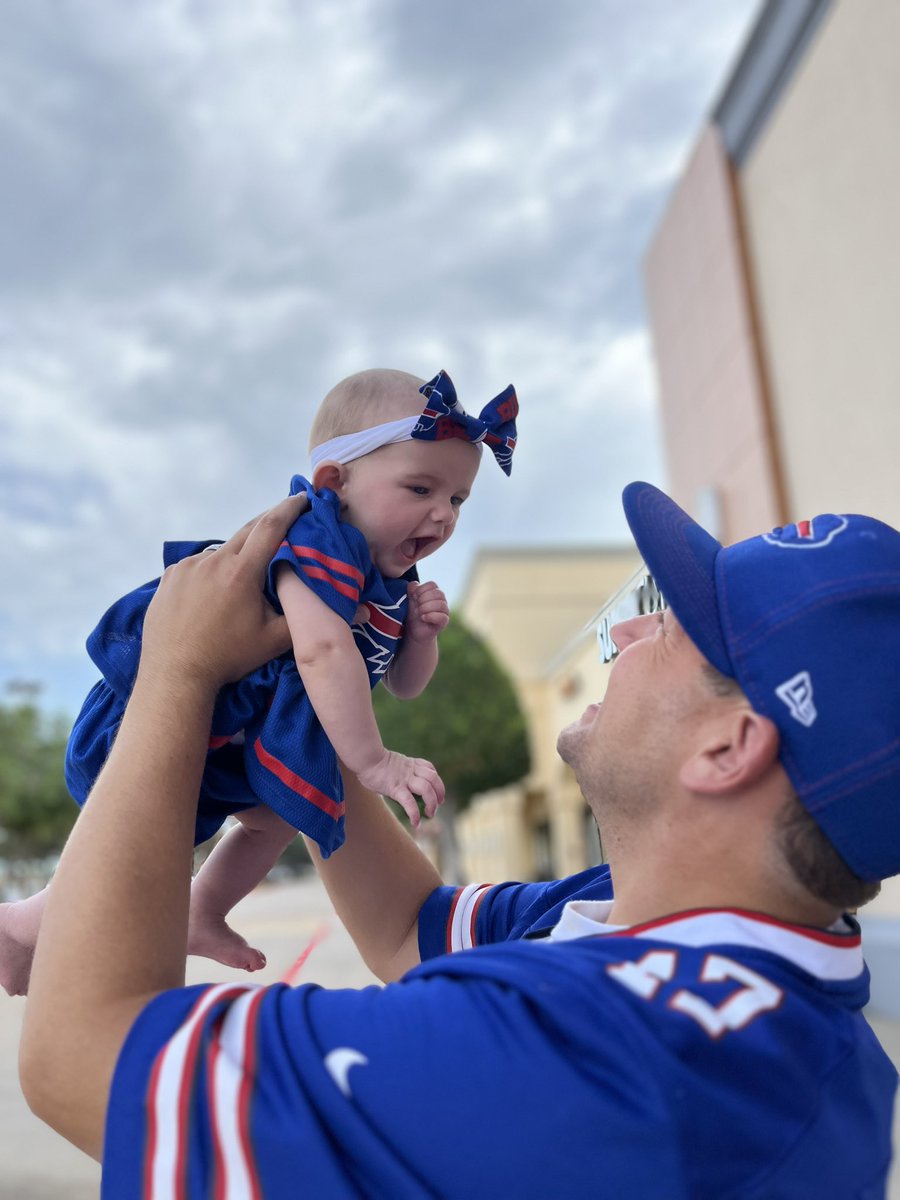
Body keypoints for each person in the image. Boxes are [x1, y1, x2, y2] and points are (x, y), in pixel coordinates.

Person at [20, 483, 900, 1198]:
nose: (626, 633)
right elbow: (410, 927)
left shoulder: (607, 1053)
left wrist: (174, 670)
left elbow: (83, 1053)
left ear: (730, 747)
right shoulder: (672, 937)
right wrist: (300, 690)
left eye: (668, 624)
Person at [0, 367, 518, 995]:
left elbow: (405, 686)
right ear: (336, 481)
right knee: (140, 855)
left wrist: (420, 639)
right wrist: (374, 763)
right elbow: (322, 653)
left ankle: (202, 908)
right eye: (420, 488)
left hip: (234, 738)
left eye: (458, 500)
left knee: (270, 820)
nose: (442, 515)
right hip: (173, 716)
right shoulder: (318, 539)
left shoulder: (390, 582)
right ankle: (21, 927)